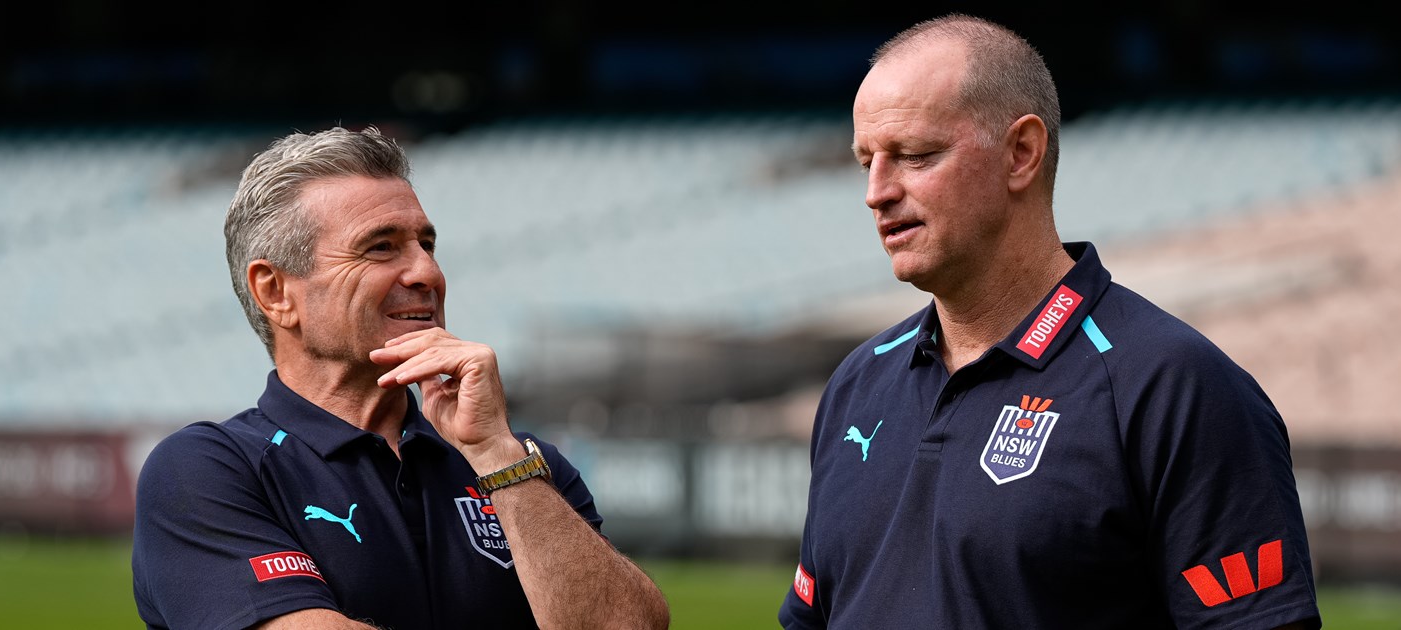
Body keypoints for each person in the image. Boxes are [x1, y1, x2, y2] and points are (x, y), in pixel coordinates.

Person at [778, 14, 1322, 629]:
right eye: (865, 162)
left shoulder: (1174, 387)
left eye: (915, 156)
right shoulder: (856, 384)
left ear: (1022, 153)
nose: (877, 192)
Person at [131, 126, 671, 630]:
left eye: (427, 244)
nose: (427, 273)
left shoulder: (526, 464)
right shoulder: (206, 470)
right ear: (275, 291)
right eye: (381, 247)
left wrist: (497, 457)